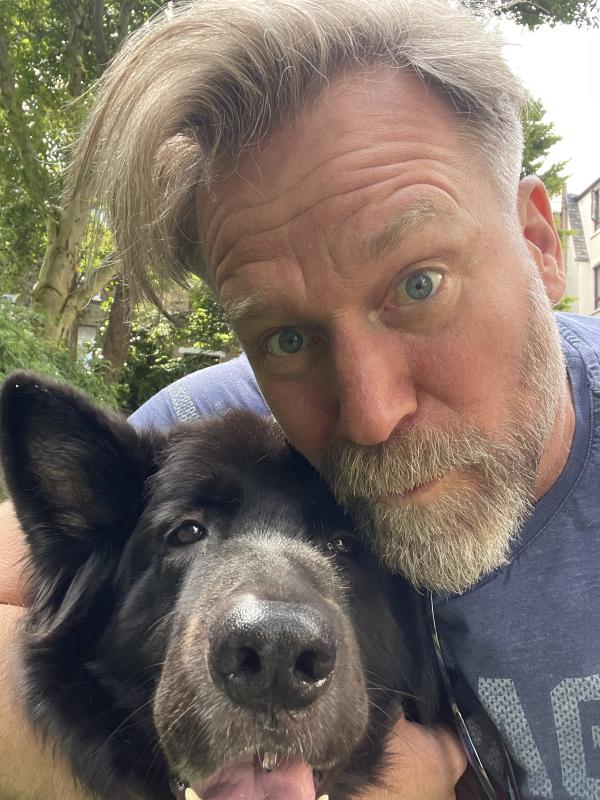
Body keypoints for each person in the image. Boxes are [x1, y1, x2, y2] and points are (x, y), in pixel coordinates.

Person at [0, 0, 598, 797]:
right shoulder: (216, 428)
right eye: (286, 338)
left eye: (418, 286)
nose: (371, 412)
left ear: (539, 244)